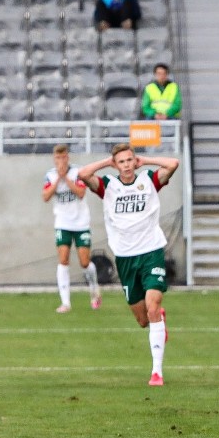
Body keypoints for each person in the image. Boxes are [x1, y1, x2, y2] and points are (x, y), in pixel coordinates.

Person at [78, 144, 179, 386]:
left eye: (129, 160)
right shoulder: (108, 186)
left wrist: (147, 160)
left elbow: (173, 164)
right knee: (143, 320)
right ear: (116, 164)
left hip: (152, 252)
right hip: (125, 257)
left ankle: (157, 372)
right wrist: (106, 162)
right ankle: (158, 318)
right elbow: (82, 175)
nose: (126, 165)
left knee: (153, 307)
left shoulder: (149, 179)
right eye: (121, 161)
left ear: (135, 162)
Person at [42, 144, 102, 313]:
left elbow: (81, 193)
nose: (60, 160)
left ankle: (94, 288)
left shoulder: (77, 172)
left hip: (81, 222)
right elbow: (46, 196)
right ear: (54, 159)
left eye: (63, 157)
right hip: (62, 223)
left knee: (84, 262)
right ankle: (65, 302)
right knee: (63, 260)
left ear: (68, 157)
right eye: (57, 158)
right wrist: (58, 179)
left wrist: (66, 178)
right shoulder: (50, 175)